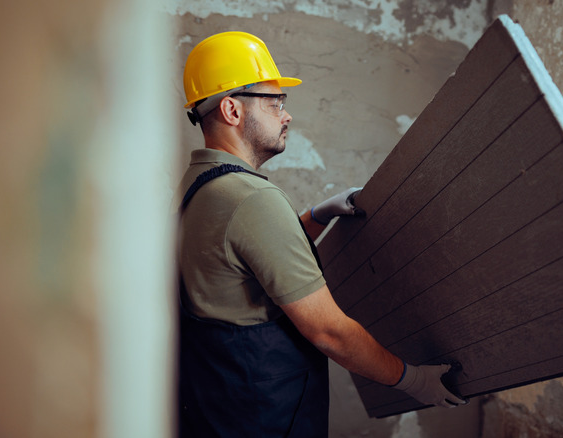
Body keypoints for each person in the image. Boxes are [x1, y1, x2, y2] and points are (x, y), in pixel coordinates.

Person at [176, 31, 465, 438]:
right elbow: (329, 331)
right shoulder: (251, 197)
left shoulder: (197, 188)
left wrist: (316, 214)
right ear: (232, 109)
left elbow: (244, 258)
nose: (286, 115)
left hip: (217, 416)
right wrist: (411, 379)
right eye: (274, 102)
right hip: (265, 422)